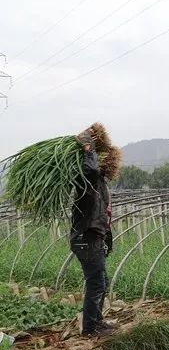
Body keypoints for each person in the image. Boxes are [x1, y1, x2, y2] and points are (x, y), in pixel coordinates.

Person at [71, 127, 116, 337]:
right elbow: (91, 171)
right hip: (85, 239)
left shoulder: (98, 185)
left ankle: (97, 322)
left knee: (101, 281)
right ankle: (90, 328)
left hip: (93, 238)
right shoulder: (86, 184)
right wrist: (88, 149)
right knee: (96, 282)